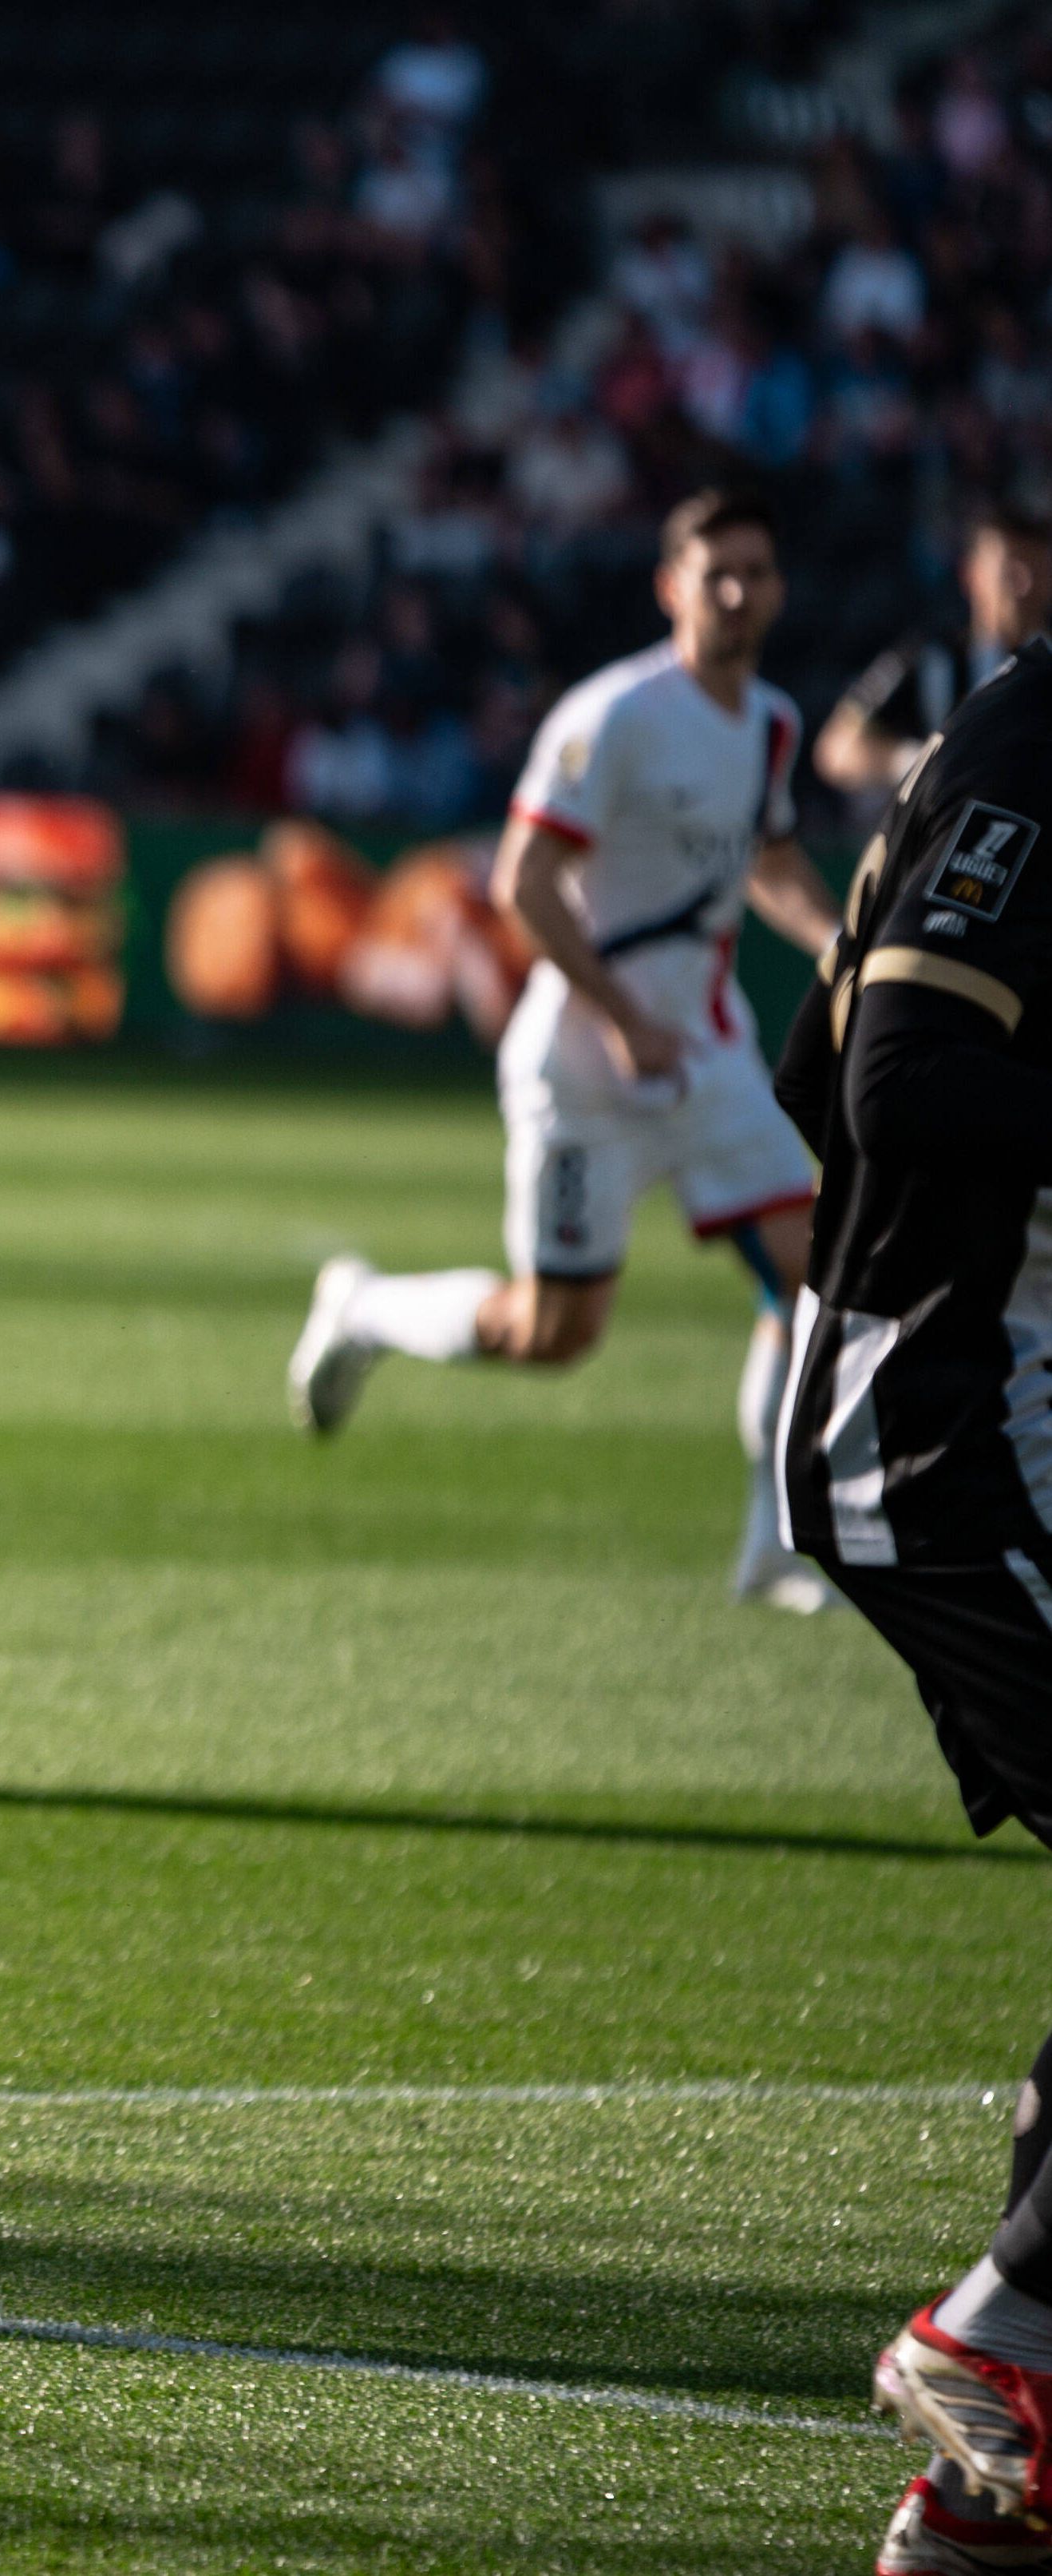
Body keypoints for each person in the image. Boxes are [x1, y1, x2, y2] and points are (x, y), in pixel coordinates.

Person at [287, 489, 840, 1611]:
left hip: (704, 1049)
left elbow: (767, 854)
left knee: (816, 1270)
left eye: (755, 572)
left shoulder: (770, 721)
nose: (737, 593)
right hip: (583, 1064)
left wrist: (835, 941)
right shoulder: (613, 716)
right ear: (669, 587)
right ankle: (361, 1308)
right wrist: (620, 1014)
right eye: (714, 572)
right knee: (552, 1333)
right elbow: (522, 883)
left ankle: (774, 1547)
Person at [768, 639, 1052, 2572]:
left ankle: (978, 2493)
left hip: (970, 1399)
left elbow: (809, 1065)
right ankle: (987, 2328)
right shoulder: (1045, 743)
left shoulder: (1001, 730)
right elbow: (896, 1069)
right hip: (946, 1427)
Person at [817, 505, 1052, 799]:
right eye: (1011, 571)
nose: (1026, 586)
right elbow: (837, 747)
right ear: (972, 575)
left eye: (1039, 570)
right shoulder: (929, 659)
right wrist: (921, 762)